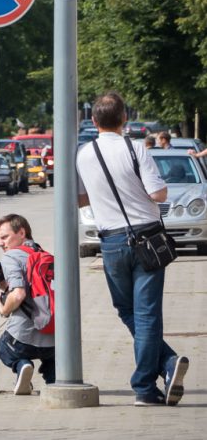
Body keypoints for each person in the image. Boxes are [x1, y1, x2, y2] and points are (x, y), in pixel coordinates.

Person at [76, 91, 188, 406]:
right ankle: (150, 380)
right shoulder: (135, 147)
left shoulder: (84, 154)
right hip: (147, 238)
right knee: (147, 313)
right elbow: (159, 195)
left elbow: (80, 198)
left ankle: (160, 370)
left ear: (94, 121)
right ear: (125, 119)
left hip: (111, 241)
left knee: (127, 311)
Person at [0, 214, 55, 395]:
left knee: (3, 347)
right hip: (53, 335)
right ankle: (55, 383)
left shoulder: (11, 257)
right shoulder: (46, 255)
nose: (0, 243)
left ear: (22, 233)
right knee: (53, 361)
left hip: (22, 339)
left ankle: (22, 366)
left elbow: (19, 294)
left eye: (4, 237)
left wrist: (3, 308)